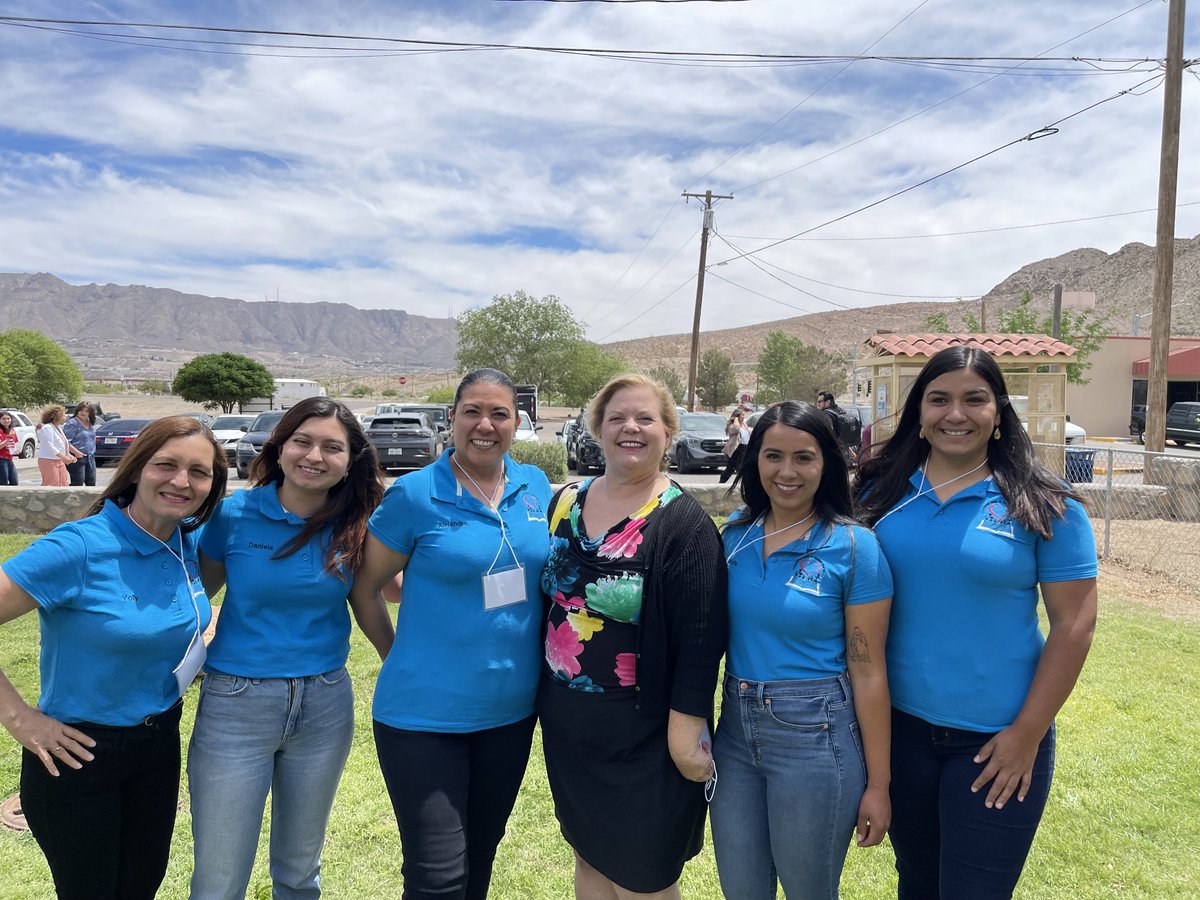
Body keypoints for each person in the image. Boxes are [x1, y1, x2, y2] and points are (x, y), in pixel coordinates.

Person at [854, 346, 1097, 900]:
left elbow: (1074, 626)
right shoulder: (878, 494)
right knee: (917, 884)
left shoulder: (1043, 503)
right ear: (919, 411)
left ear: (998, 412)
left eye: (974, 400)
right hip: (900, 734)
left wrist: (1026, 735)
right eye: (939, 399)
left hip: (997, 742)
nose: (955, 414)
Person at [0, 416, 226, 900]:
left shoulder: (185, 540)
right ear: (137, 467)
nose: (181, 481)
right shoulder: (79, 547)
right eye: (166, 464)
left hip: (158, 742)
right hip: (79, 754)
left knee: (140, 885)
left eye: (199, 471)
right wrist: (21, 720)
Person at [349, 368, 552, 900]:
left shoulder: (534, 486)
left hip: (509, 715)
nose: (485, 425)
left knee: (479, 860)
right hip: (422, 717)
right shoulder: (416, 495)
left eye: (500, 414)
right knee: (437, 877)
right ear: (452, 419)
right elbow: (367, 585)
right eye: (472, 412)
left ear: (517, 421)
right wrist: (395, 653)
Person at [188, 397, 391, 899]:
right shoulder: (233, 516)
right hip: (235, 706)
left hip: (325, 705)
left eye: (332, 447)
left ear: (351, 460)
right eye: (303, 441)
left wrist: (401, 661)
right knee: (219, 877)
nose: (314, 456)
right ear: (280, 448)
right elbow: (194, 599)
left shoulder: (359, 523)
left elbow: (369, 599)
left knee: (300, 872)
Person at [538, 373, 728, 899]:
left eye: (646, 418)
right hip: (568, 724)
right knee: (589, 856)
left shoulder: (684, 524)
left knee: (645, 876)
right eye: (617, 417)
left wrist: (686, 730)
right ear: (597, 429)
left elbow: (700, 641)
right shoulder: (566, 503)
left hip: (645, 733)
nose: (631, 428)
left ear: (668, 432)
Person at [710, 400, 892, 899]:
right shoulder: (734, 538)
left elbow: (869, 671)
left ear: (827, 464)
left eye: (804, 457)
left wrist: (879, 785)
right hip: (734, 737)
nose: (786, 472)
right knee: (742, 890)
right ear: (755, 461)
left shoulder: (854, 547)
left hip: (816, 737)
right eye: (773, 456)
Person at [35, 405, 81, 487]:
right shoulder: (47, 428)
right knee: (52, 484)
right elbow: (49, 446)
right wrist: (64, 457)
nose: (66, 417)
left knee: (63, 484)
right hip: (48, 460)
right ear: (56, 416)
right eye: (63, 415)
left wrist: (69, 456)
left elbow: (63, 445)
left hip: (59, 460)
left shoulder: (58, 428)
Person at [64, 402, 98, 487]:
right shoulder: (72, 423)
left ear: (90, 413)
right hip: (77, 458)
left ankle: (90, 501)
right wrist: (77, 453)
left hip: (90, 457)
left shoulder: (89, 423)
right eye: (81, 410)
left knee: (91, 483)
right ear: (77, 411)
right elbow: (65, 442)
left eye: (86, 411)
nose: (83, 413)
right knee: (78, 483)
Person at [718, 409, 749, 485]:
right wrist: (735, 420)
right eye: (742, 415)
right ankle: (721, 483)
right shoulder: (732, 426)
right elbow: (736, 429)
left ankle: (744, 485)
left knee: (743, 468)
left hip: (745, 448)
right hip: (737, 449)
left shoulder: (744, 425)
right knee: (730, 469)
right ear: (737, 416)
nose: (743, 417)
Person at [0, 411, 18, 485]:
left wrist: (17, 450)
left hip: (9, 458)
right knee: (3, 482)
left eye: (8, 418)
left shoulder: (12, 430)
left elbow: (15, 443)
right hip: (1, 459)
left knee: (14, 482)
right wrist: (8, 439)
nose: (6, 421)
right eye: (3, 419)